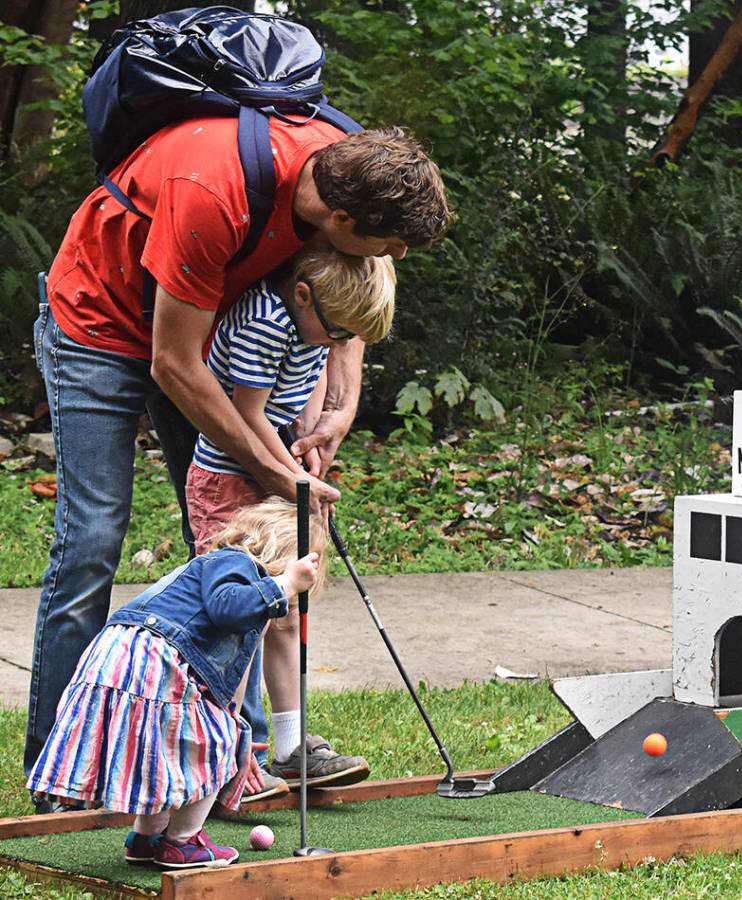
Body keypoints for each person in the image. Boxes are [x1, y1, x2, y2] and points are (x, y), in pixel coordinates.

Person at [26, 115, 453, 805]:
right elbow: (174, 363)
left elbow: (349, 287)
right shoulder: (217, 191)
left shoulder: (347, 159)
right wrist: (280, 473)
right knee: (94, 540)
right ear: (338, 218)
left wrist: (340, 399)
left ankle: (245, 756)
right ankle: (64, 771)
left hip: (203, 331)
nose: (396, 256)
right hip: (103, 325)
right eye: (389, 244)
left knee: (241, 571)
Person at [185, 247, 396, 799]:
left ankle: (289, 747)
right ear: (303, 295)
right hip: (228, 483)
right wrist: (295, 483)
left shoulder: (318, 325)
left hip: (274, 468)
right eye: (337, 331)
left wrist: (310, 448)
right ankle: (226, 757)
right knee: (235, 621)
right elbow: (247, 416)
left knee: (285, 612)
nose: (337, 343)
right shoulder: (264, 322)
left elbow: (309, 387)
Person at [26, 499, 328, 869]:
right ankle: (183, 842)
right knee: (205, 751)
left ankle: (146, 836)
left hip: (123, 657)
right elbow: (226, 608)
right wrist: (283, 583)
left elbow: (230, 677)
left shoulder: (236, 586)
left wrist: (234, 729)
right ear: (283, 553)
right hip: (157, 657)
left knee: (167, 753)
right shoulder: (237, 564)